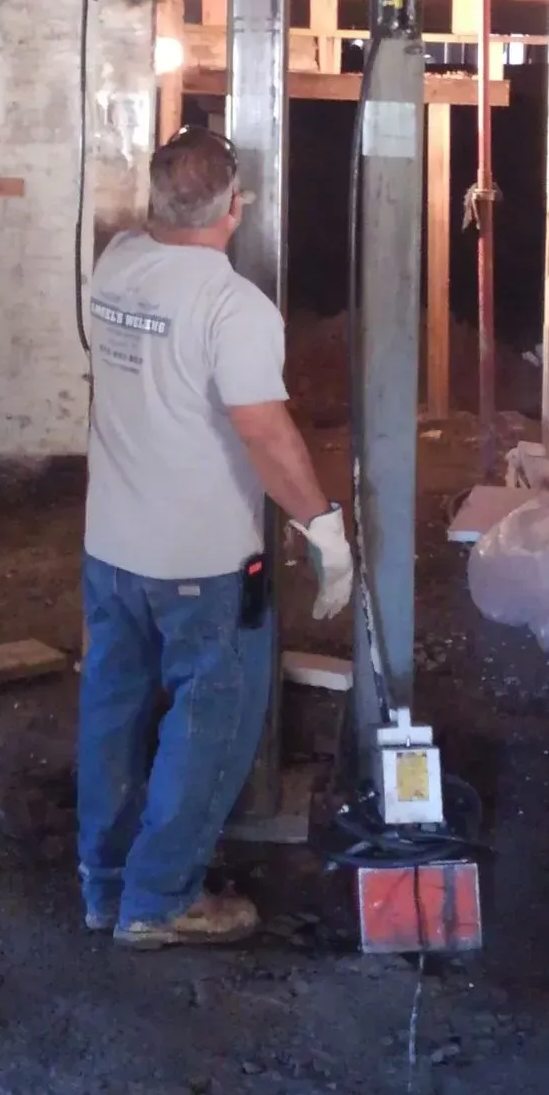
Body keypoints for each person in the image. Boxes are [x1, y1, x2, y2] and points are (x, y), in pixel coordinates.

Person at [78, 125, 353, 948]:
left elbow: (155, 233)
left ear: (157, 200)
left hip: (111, 549)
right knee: (210, 722)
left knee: (114, 712)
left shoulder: (116, 263)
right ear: (237, 206)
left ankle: (104, 886)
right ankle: (160, 901)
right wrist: (322, 526)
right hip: (198, 562)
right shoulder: (234, 308)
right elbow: (264, 432)